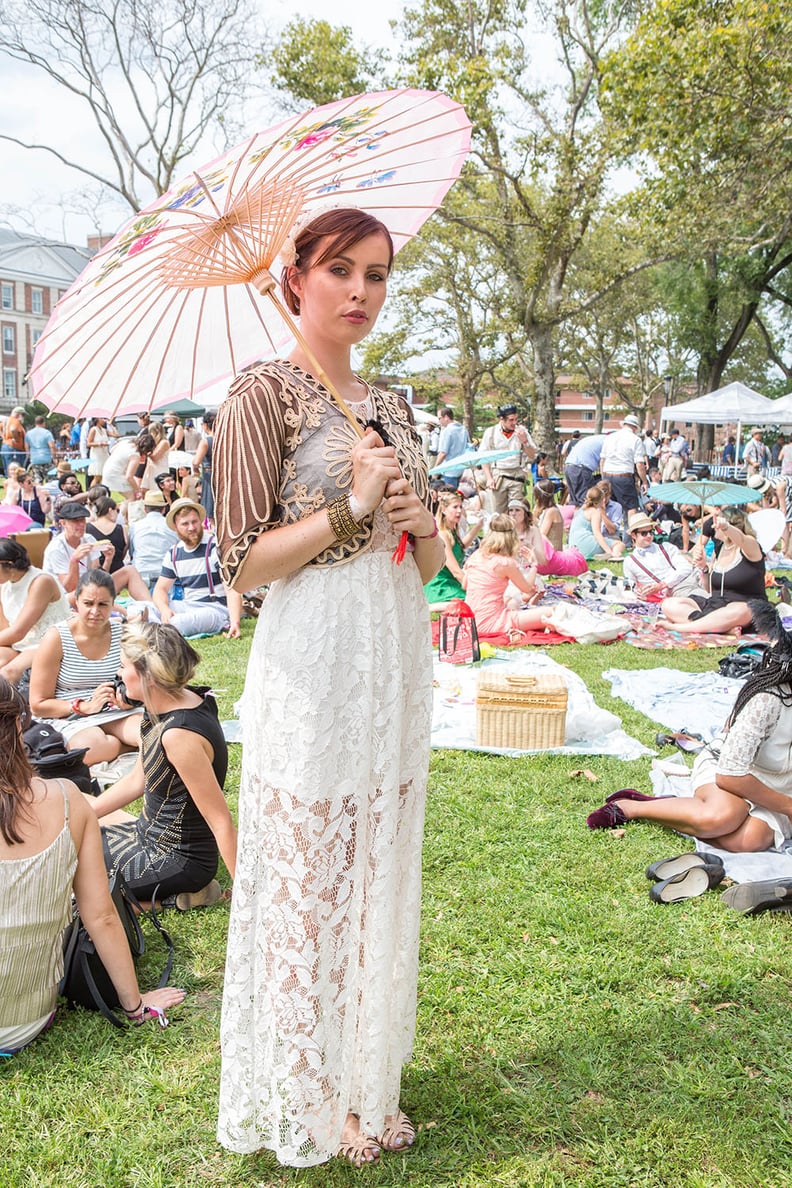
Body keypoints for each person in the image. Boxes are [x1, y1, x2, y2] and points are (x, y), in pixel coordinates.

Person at [213, 207, 445, 1167]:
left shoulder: (389, 402)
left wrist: (414, 511)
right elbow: (240, 565)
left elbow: (436, 563)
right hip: (313, 661)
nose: (361, 292)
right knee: (311, 879)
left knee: (377, 864)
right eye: (341, 271)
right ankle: (311, 1099)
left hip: (392, 650)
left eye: (379, 274)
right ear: (294, 281)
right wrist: (348, 508)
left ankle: (364, 1073)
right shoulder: (259, 396)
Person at [0, 676, 185, 1055]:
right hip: (24, 1023)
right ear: (21, 724)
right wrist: (134, 1005)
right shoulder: (68, 799)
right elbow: (99, 915)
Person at [587, 600, 792, 852]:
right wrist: (789, 807)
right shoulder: (768, 699)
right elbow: (730, 775)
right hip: (732, 771)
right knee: (722, 817)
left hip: (782, 786)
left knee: (748, 840)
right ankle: (634, 806)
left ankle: (680, 810)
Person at [89, 622, 236, 908]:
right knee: (74, 845)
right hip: (146, 835)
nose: (119, 674)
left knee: (80, 882)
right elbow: (138, 780)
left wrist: (247, 898)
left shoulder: (179, 735)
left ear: (150, 677)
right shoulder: (169, 703)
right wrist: (81, 815)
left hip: (178, 859)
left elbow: (220, 821)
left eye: (123, 666)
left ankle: (180, 898)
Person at [29, 569, 143, 767]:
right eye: (88, 604)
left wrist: (129, 700)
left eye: (103, 604)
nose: (95, 612)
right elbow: (38, 704)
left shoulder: (123, 634)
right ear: (76, 602)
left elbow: (142, 683)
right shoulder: (56, 638)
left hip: (115, 710)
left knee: (150, 732)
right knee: (89, 750)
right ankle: (122, 747)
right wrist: (85, 706)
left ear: (113, 603)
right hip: (69, 714)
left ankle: (122, 746)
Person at [659, 507, 768, 633]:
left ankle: (681, 627)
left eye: (716, 523)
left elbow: (742, 539)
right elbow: (710, 590)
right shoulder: (721, 549)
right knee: (669, 604)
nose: (712, 526)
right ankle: (721, 628)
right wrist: (704, 567)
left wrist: (726, 527)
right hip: (715, 605)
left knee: (744, 609)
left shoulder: (750, 547)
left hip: (742, 607)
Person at [148, 498, 241, 639]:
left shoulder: (215, 547)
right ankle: (154, 627)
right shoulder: (174, 553)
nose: (191, 528)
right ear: (175, 526)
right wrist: (164, 609)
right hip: (187, 605)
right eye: (185, 524)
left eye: (194, 522)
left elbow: (231, 587)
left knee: (178, 622)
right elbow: (160, 589)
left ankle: (150, 629)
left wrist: (235, 622)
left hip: (215, 609)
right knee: (140, 608)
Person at [42, 501, 150, 602]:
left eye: (83, 520)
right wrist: (74, 561)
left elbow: (98, 577)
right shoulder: (57, 548)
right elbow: (69, 588)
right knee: (89, 593)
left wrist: (108, 559)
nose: (81, 524)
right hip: (65, 598)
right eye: (75, 521)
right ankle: (122, 612)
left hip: (90, 588)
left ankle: (152, 608)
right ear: (63, 523)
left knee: (129, 570)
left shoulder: (88, 539)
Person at [463, 514, 550, 636]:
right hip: (491, 623)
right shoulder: (505, 563)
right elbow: (527, 589)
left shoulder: (476, 555)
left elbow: (464, 585)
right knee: (550, 612)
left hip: (469, 620)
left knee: (512, 602)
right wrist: (534, 565)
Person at [0, 538, 70, 685]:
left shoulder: (41, 581)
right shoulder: (4, 583)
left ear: (9, 565)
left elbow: (18, 632)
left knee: (7, 674)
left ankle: (12, 708)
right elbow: (5, 627)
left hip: (47, 642)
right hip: (19, 644)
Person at [622, 512, 703, 600]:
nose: (649, 536)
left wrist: (663, 584)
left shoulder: (666, 547)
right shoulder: (630, 561)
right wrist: (639, 594)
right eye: (644, 533)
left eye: (651, 532)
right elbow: (628, 587)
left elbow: (686, 568)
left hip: (691, 578)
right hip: (676, 591)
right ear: (634, 535)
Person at [423, 491, 481, 607]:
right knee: (476, 601)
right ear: (444, 510)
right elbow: (456, 572)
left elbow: (461, 546)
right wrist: (478, 590)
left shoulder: (452, 531)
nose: (459, 511)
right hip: (440, 586)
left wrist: (478, 526)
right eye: (455, 507)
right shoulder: (443, 535)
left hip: (452, 583)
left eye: (460, 507)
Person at [479, 403, 537, 514]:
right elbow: (484, 457)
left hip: (516, 474)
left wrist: (525, 441)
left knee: (515, 510)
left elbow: (532, 455)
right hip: (498, 475)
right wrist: (489, 478)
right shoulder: (491, 432)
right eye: (511, 420)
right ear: (502, 419)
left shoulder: (522, 431)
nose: (514, 423)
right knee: (498, 511)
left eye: (516, 419)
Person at [599, 414, 646, 533]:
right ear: (635, 428)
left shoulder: (610, 437)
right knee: (631, 508)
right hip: (624, 476)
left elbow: (602, 460)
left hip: (608, 474)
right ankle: (630, 539)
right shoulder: (635, 439)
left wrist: (603, 477)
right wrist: (644, 481)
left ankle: (606, 534)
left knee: (607, 505)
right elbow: (639, 464)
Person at [127, 489, 178, 589]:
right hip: (166, 575)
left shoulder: (135, 526)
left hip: (141, 573)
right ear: (163, 509)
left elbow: (132, 552)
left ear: (145, 509)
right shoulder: (172, 526)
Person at [568, 486, 625, 560]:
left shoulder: (581, 510)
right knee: (620, 544)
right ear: (601, 500)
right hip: (586, 543)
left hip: (573, 545)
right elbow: (597, 534)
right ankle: (614, 554)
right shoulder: (595, 512)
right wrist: (609, 551)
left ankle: (604, 553)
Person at [85, 497, 128, 573]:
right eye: (117, 511)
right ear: (110, 510)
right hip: (118, 572)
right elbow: (123, 553)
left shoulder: (86, 528)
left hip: (93, 574)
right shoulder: (122, 529)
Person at [563, 432, 605, 507]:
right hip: (580, 469)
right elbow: (603, 462)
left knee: (574, 501)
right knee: (585, 500)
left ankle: (574, 518)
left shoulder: (597, 439)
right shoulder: (608, 442)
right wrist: (604, 478)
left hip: (569, 466)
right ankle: (586, 518)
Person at [434, 406, 471, 489]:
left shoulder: (447, 431)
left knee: (449, 497)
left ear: (446, 417)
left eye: (439, 418)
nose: (439, 421)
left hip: (449, 470)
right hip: (461, 469)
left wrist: (435, 469)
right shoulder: (463, 429)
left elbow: (443, 453)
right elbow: (469, 447)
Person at [192, 410, 216, 523]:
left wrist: (195, 470)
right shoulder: (226, 439)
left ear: (206, 425)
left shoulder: (206, 442)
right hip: (225, 474)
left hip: (210, 475)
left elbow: (196, 462)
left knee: (211, 509)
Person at [24, 415, 56, 484]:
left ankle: (38, 493)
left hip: (35, 459)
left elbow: (26, 447)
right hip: (46, 459)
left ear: (35, 423)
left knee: (37, 480)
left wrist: (29, 457)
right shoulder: (47, 433)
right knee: (50, 480)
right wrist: (54, 458)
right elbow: (52, 446)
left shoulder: (28, 433)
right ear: (43, 423)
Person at [86, 417, 115, 486]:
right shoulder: (93, 429)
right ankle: (91, 492)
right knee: (97, 477)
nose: (104, 420)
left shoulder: (104, 430)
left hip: (104, 454)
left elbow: (116, 435)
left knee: (103, 475)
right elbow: (88, 443)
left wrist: (111, 425)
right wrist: (100, 444)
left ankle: (102, 491)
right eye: (102, 418)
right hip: (97, 454)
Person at [2, 407, 26, 477]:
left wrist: (4, 437)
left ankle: (10, 484)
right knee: (15, 470)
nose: (24, 417)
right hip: (14, 448)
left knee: (8, 470)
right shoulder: (15, 421)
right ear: (18, 414)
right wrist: (16, 439)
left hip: (6, 446)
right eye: (23, 415)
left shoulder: (7, 421)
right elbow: (13, 429)